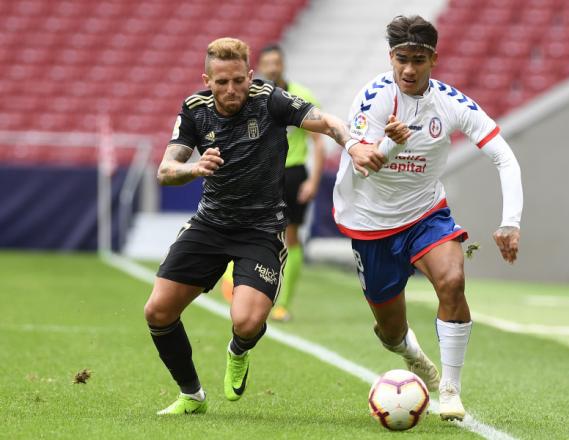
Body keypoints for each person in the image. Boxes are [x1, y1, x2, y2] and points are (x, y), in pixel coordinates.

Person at [144, 37, 376, 415]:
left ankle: (238, 350)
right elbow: (166, 171)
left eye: (239, 80)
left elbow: (328, 121)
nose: (232, 89)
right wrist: (194, 167)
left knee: (247, 322)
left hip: (261, 229)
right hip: (211, 224)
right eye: (222, 82)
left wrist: (351, 144)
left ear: (250, 75)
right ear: (207, 79)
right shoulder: (194, 109)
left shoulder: (270, 100)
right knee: (157, 311)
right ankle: (191, 395)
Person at [333, 15, 523, 421]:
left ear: (433, 59)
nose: (408, 69)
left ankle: (451, 391)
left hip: (425, 213)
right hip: (371, 223)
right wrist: (393, 143)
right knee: (389, 332)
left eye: (418, 59)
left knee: (453, 281)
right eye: (401, 58)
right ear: (391, 57)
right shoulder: (374, 98)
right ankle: (411, 353)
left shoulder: (452, 104)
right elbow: (367, 164)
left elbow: (503, 155)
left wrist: (511, 221)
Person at [256, 44, 326, 322]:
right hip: (263, 174)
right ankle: (246, 289)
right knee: (257, 234)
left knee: (291, 238)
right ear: (261, 67)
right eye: (268, 63)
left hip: (293, 173)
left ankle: (283, 303)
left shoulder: (302, 96)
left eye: (277, 62)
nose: (273, 67)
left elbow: (319, 142)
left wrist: (314, 181)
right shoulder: (254, 96)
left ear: (283, 64)